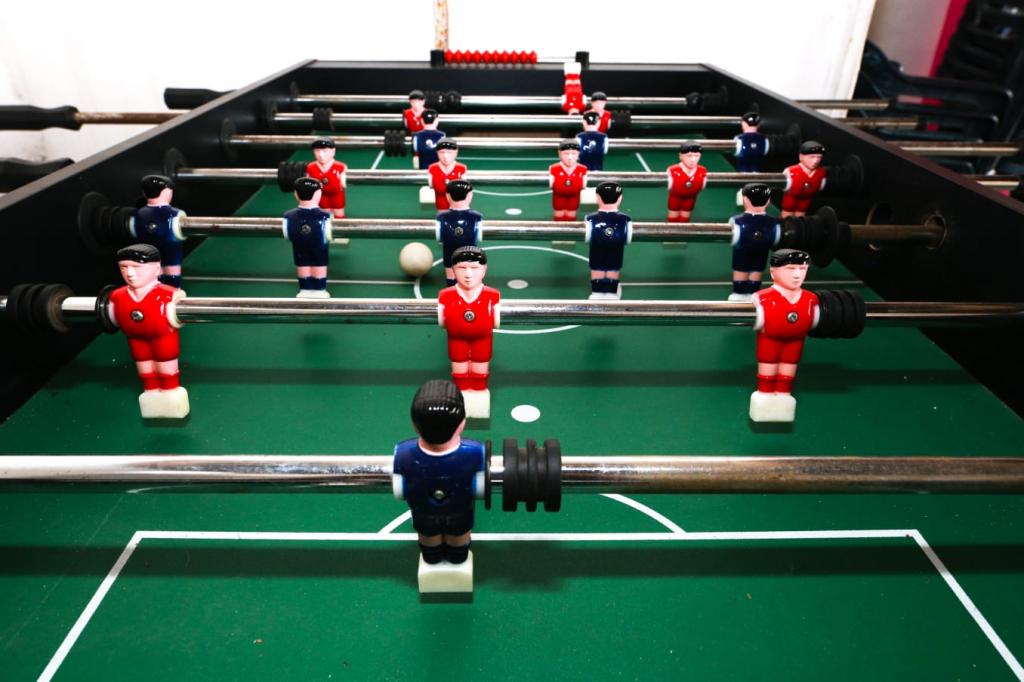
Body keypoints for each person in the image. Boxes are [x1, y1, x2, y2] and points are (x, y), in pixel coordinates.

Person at [392, 379, 486, 583]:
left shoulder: (403, 454)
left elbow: (400, 489)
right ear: (462, 423)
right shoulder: (475, 453)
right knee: (458, 539)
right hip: (460, 511)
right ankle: (456, 558)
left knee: (429, 539)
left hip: (423, 512)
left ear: (414, 425)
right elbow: (480, 486)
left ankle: (432, 558)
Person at [108, 243, 189, 419]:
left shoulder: (170, 295)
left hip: (164, 342)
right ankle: (151, 393)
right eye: (124, 268)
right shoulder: (117, 297)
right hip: (136, 341)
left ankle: (170, 393)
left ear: (156, 269)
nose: (130, 273)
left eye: (136, 267)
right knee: (145, 370)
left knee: (166, 368)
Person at [749, 249, 819, 422]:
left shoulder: (811, 299)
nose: (797, 275)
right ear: (773, 272)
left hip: (795, 344)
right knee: (769, 368)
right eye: (791, 269)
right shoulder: (762, 299)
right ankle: (765, 395)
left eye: (802, 269)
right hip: (769, 344)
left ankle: (783, 396)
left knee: (788, 370)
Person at [438, 246, 500, 418]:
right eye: (461, 268)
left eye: (474, 268)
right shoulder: (445, 296)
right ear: (453, 270)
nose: (468, 274)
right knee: (459, 369)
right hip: (456, 340)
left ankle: (479, 394)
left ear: (484, 270)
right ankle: (461, 395)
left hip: (483, 341)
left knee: (480, 369)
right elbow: (443, 320)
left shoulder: (492, 296)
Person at [729, 183, 781, 301]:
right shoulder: (773, 222)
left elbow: (733, 239)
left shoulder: (737, 221)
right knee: (756, 271)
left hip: (742, 254)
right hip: (760, 255)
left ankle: (739, 294)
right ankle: (752, 294)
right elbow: (775, 239)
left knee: (741, 271)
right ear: (768, 201)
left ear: (745, 200)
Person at [131, 175, 185, 288]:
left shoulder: (138, 214)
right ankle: (173, 290)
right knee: (172, 271)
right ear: (166, 192)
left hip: (150, 253)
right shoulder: (175, 214)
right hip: (171, 251)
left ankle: (159, 290)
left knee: (155, 272)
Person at [283, 177, 332, 298]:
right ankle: (319, 289)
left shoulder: (289, 216)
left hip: (299, 249)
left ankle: (305, 289)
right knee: (319, 266)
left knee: (302, 266)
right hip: (319, 249)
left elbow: (287, 234)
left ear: (296, 194)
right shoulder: (326, 216)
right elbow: (328, 234)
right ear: (318, 194)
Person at [584, 182, 632, 300]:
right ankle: (611, 293)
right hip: (615, 253)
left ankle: (597, 292)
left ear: (597, 198)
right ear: (620, 198)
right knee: (612, 271)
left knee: (597, 271)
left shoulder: (590, 218)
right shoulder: (625, 219)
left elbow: (587, 237)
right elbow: (627, 239)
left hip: (596, 252)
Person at [435, 179, 483, 286]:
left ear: (447, 196)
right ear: (470, 196)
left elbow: (439, 239)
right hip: (470, 256)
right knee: (469, 276)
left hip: (449, 256)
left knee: (451, 275)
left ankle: (452, 288)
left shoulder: (441, 217)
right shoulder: (477, 217)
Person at [781, 141, 827, 218]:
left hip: (806, 201)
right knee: (787, 215)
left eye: (819, 157)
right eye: (812, 157)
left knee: (801, 215)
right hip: (790, 200)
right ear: (801, 157)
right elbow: (783, 186)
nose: (816, 161)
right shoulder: (790, 171)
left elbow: (820, 186)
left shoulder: (821, 173)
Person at [305, 138, 347, 219]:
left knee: (339, 215)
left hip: (337, 195)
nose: (321, 155)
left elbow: (344, 184)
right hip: (321, 195)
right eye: (317, 151)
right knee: (325, 215)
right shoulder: (311, 168)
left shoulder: (340, 167)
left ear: (333, 151)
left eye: (325, 151)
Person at [666, 141, 707, 223]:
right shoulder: (672, 171)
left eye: (697, 156)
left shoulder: (702, 172)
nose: (693, 160)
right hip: (675, 200)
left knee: (684, 220)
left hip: (690, 200)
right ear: (681, 156)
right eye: (689, 156)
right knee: (672, 220)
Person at [548, 140, 588, 221]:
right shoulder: (554, 169)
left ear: (578, 154)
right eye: (566, 154)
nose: (570, 157)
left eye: (573, 153)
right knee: (559, 214)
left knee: (571, 214)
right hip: (558, 198)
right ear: (559, 153)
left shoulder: (582, 169)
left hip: (574, 198)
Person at [427, 139, 468, 210]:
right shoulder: (433, 169)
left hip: (457, 206)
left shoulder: (461, 169)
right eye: (442, 152)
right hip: (441, 206)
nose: (445, 156)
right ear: (437, 153)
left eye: (449, 152)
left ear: (456, 152)